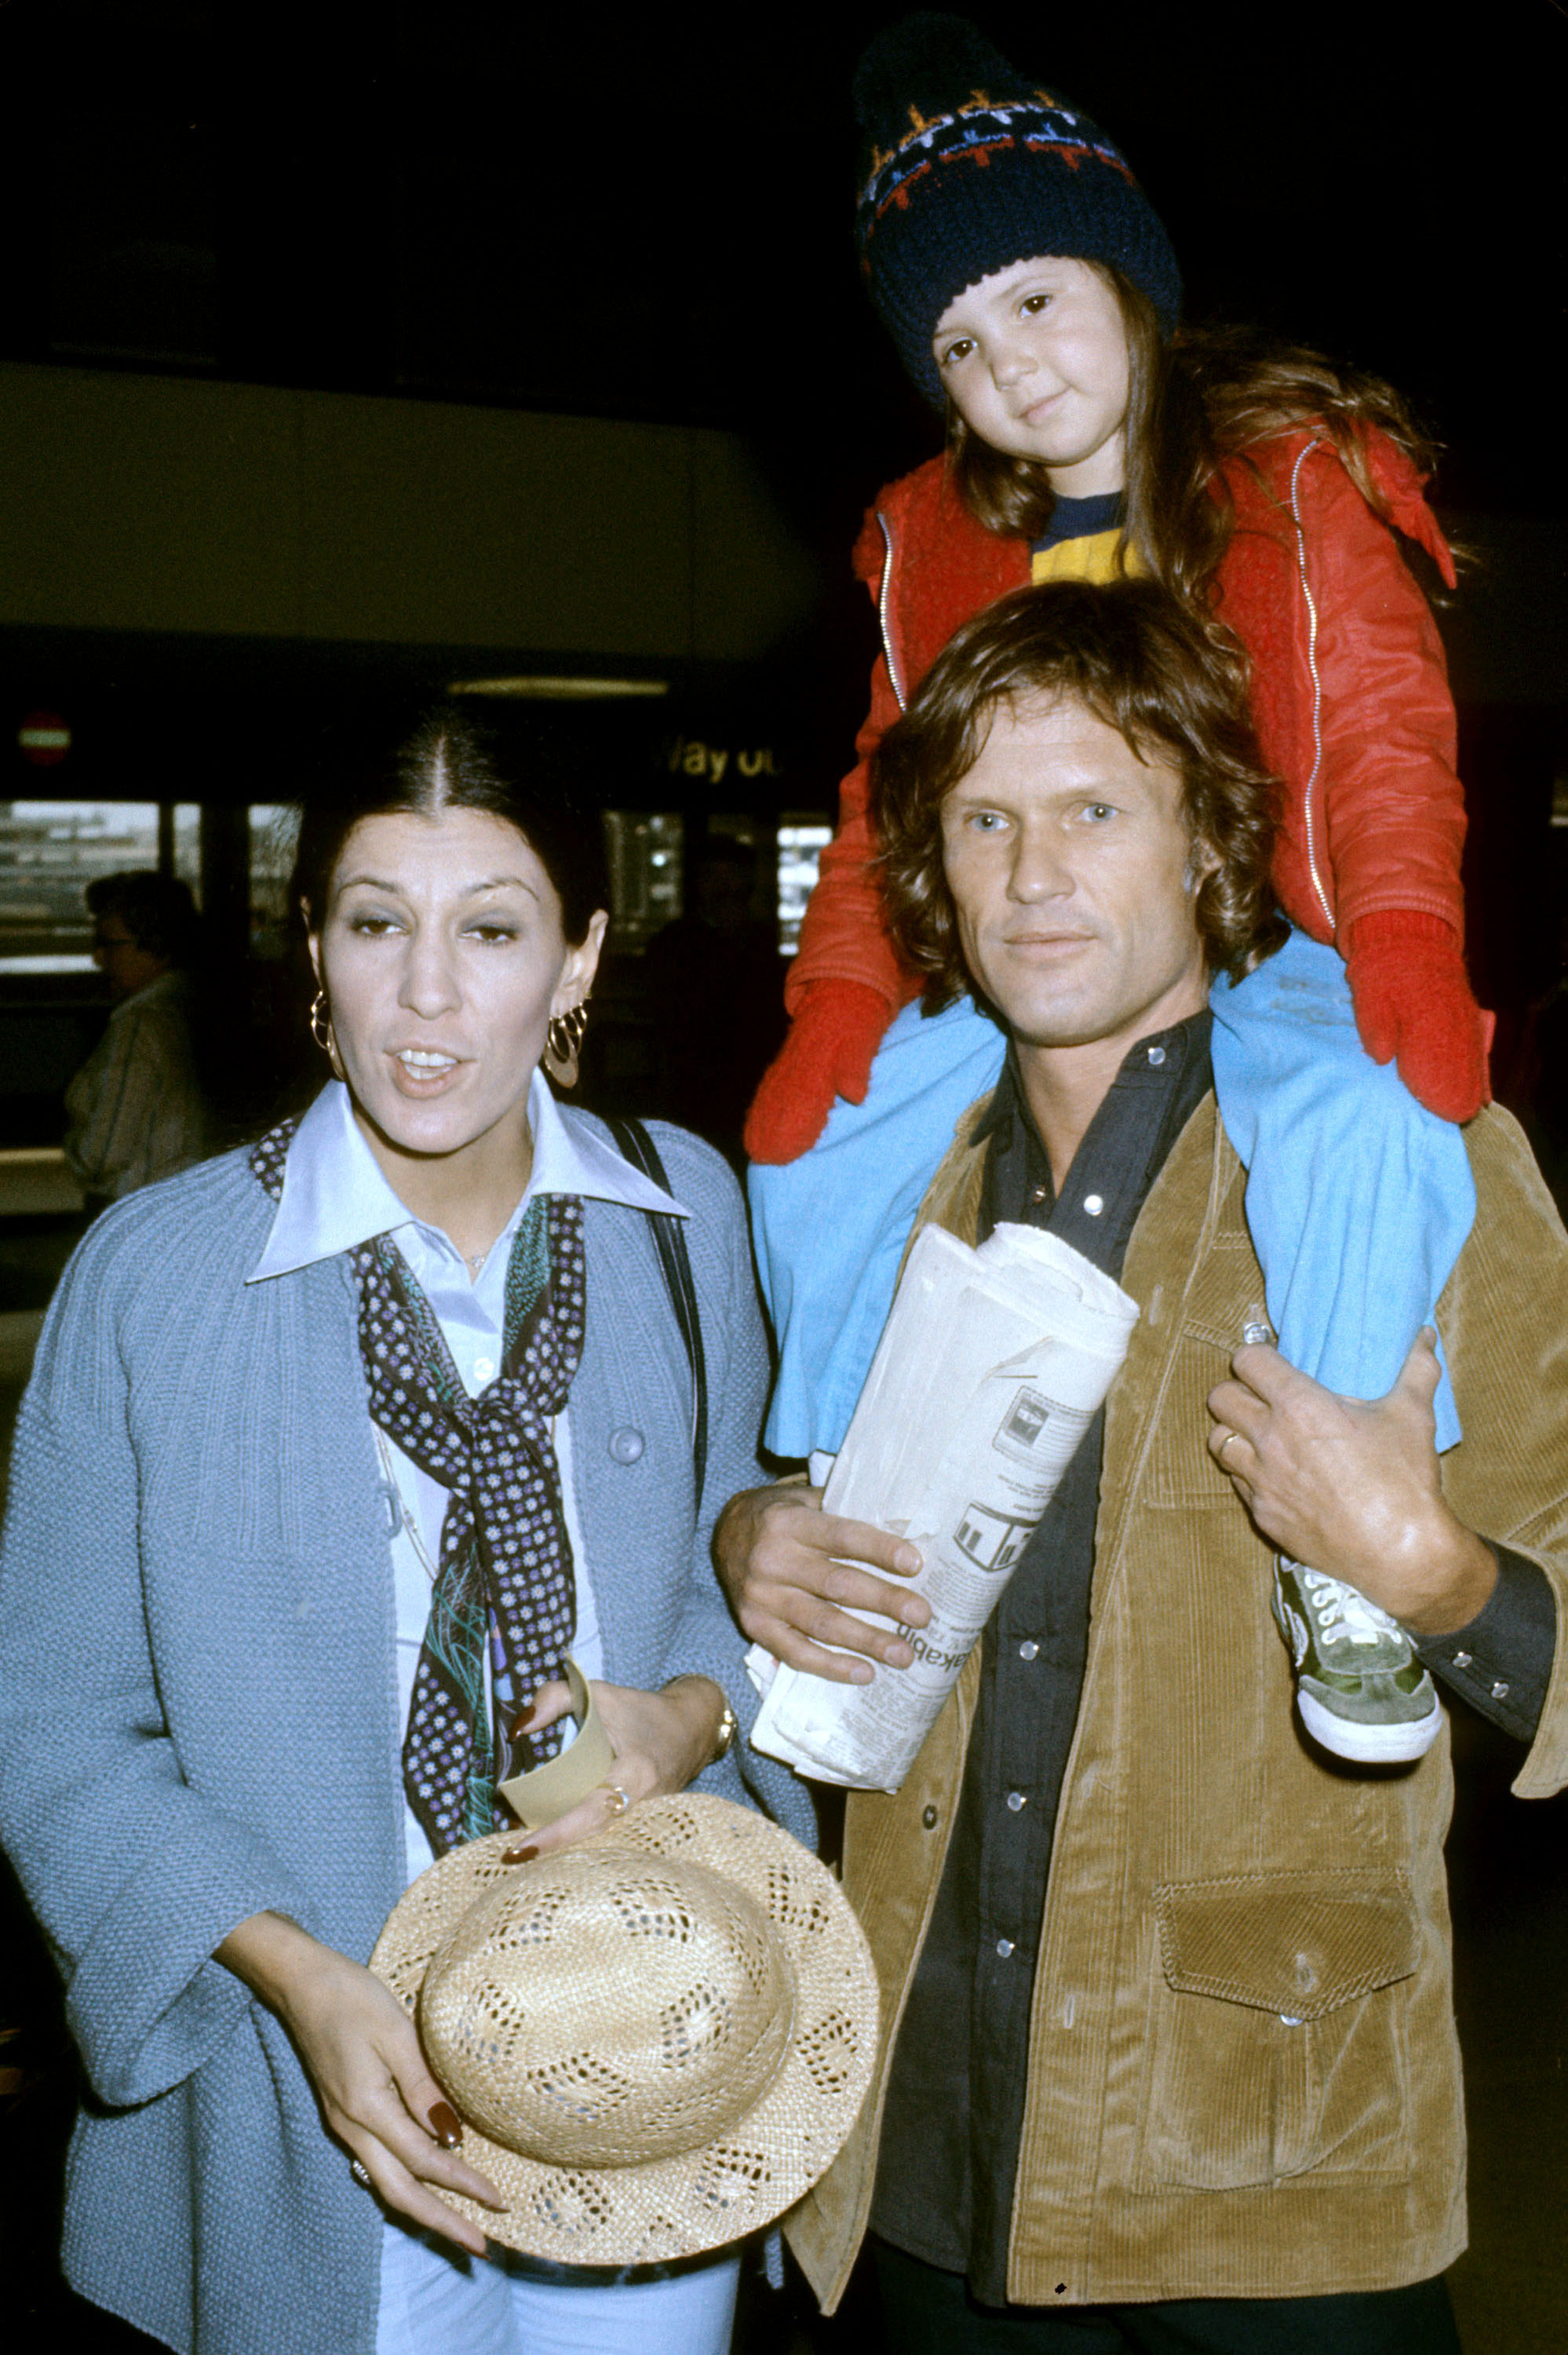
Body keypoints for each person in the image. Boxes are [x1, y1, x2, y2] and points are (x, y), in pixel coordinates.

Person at [718, 580, 1568, 2352]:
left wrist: (1429, 1576)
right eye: (986, 821)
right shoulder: (883, 1198)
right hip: (916, 2160)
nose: (1035, 873)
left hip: (1279, 2175)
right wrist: (748, 1542)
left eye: (1097, 808)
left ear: (1212, 839)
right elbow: (743, 1517)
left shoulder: (1411, 1168)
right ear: (931, 870)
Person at [0, 710, 811, 2355]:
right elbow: (55, 1730)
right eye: (378, 923)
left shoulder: (689, 1219)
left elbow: (745, 1567)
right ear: (316, 950)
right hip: (314, 2095)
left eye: (491, 930)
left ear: (577, 960)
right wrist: (301, 1980)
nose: (427, 996)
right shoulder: (156, 1279)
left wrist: (691, 1712)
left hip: (636, 2041)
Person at [742, 13, 1490, 1762]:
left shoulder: (1282, 475)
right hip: (1033, 939)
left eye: (1034, 300)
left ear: (1129, 279)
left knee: (1370, 1122)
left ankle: (1355, 1534)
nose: (1006, 363)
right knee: (810, 1144)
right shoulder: (932, 534)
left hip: (1275, 923)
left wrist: (1399, 943)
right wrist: (839, 1000)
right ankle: (858, 1459)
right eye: (955, 338)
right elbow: (889, 795)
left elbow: (1384, 728)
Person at [63, 868, 211, 1208]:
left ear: (156, 947)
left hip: (139, 1216)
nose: (98, 958)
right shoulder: (189, 1007)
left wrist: (70, 1145)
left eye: (110, 946)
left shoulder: (140, 1024)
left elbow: (101, 1156)